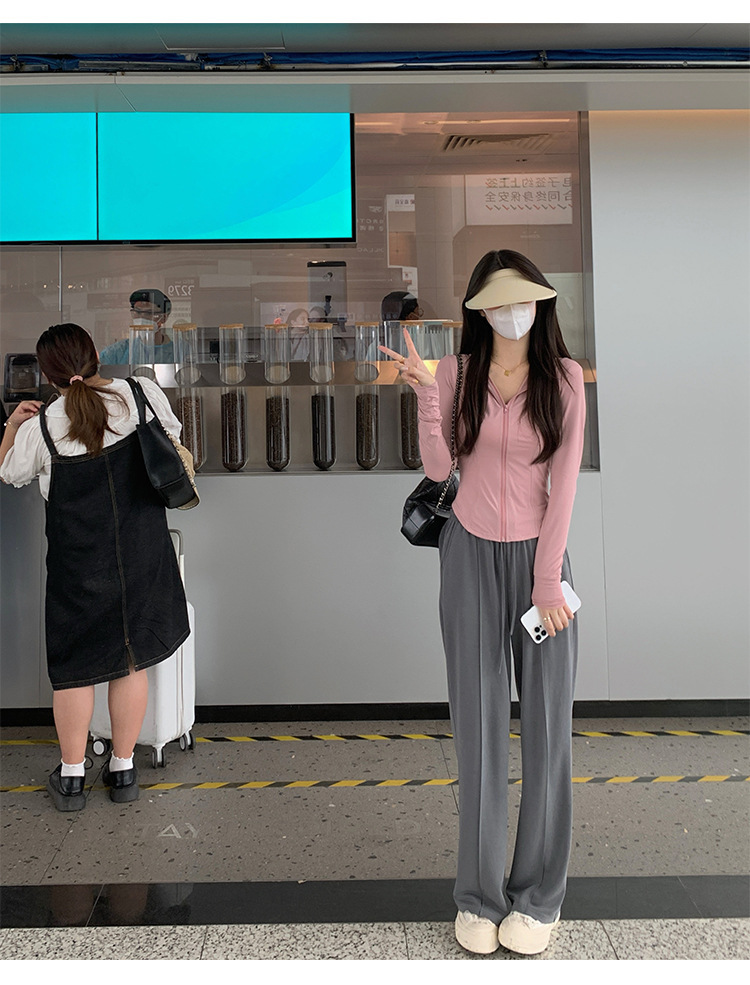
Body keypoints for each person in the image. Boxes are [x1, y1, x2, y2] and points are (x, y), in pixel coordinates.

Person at [380, 249, 586, 957]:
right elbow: (442, 468)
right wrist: (425, 394)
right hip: (468, 558)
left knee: (549, 731)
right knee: (477, 728)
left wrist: (547, 579)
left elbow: (565, 483)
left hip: (541, 565)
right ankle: (477, 896)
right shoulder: (456, 373)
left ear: (540, 302)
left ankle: (539, 896)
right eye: (497, 301)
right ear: (478, 309)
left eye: (521, 298)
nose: (511, 312)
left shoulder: (564, 378)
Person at [0, 324, 190, 811]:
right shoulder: (140, 393)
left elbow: (9, 472)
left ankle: (70, 779)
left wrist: (12, 426)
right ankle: (123, 772)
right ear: (96, 358)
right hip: (142, 551)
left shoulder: (43, 426)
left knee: (75, 670)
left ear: (49, 377)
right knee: (130, 659)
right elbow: (172, 436)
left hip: (78, 565)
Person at [99, 288, 173, 365]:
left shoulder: (178, 352)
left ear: (163, 318)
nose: (141, 318)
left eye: (148, 313)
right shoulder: (115, 354)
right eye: (138, 312)